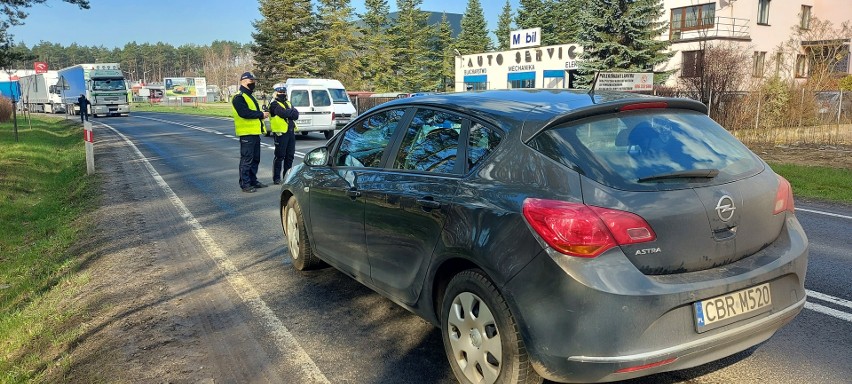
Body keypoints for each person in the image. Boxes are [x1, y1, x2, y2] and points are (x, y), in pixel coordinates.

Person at [232, 72, 270, 193]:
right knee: (247, 160)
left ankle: (253, 181)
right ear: (243, 81)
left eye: (254, 80)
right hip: (246, 133)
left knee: (255, 159)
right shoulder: (239, 97)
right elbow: (244, 113)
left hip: (254, 133)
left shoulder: (250, 96)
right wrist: (261, 114)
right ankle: (245, 184)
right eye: (251, 80)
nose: (253, 83)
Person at [268, 85, 299, 185]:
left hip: (290, 132)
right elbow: (282, 113)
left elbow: (296, 114)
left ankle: (287, 176)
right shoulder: (273, 104)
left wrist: (289, 112)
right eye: (280, 92)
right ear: (276, 93)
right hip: (280, 133)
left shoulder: (288, 103)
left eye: (284, 92)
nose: (282, 94)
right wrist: (290, 112)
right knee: (280, 156)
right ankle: (276, 178)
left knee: (290, 156)